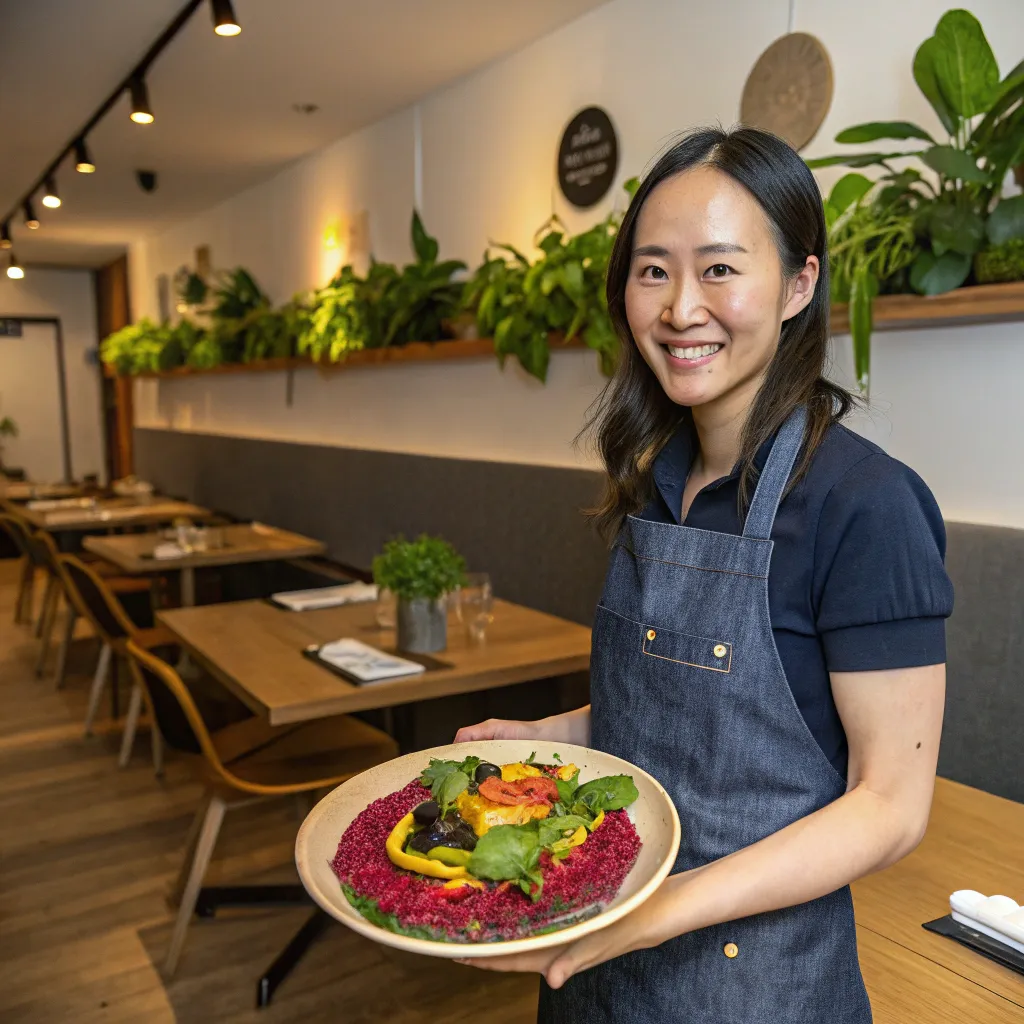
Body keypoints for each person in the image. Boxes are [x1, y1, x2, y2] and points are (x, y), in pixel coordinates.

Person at [454, 126, 953, 1023]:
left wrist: (656, 913)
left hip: (753, 985)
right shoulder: (656, 479)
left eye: (720, 268)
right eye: (653, 271)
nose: (681, 307)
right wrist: (548, 734)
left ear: (800, 283)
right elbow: (679, 711)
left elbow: (891, 805)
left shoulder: (866, 504)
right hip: (595, 963)